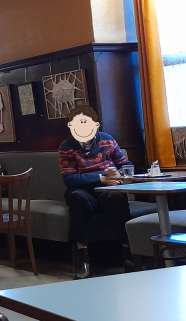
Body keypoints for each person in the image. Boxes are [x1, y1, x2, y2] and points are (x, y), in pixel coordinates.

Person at [59, 105, 132, 279]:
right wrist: (101, 177)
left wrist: (119, 174)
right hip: (82, 191)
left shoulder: (107, 140)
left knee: (116, 198)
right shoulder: (66, 146)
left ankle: (128, 253)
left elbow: (126, 165)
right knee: (76, 198)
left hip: (108, 190)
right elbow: (69, 179)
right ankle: (82, 259)